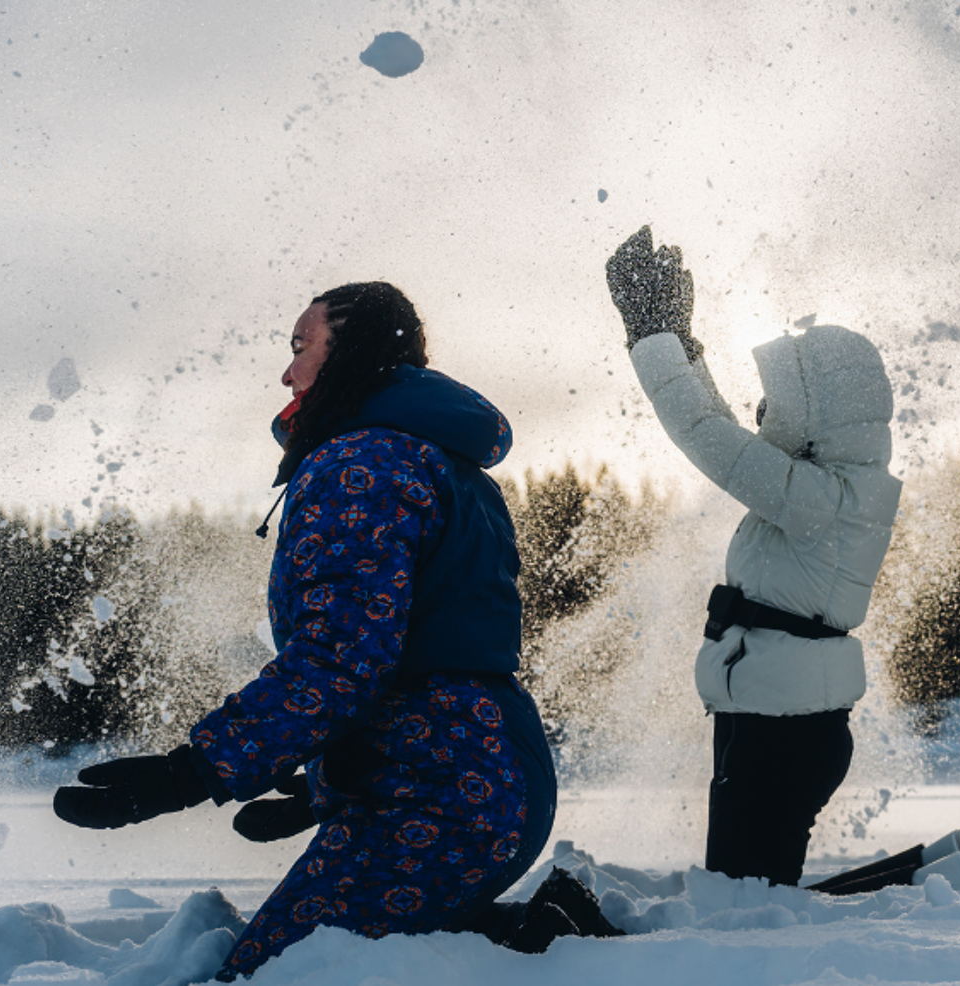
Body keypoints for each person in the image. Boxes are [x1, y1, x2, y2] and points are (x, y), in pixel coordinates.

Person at [53, 282, 615, 978]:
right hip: (474, 767)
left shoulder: (362, 465)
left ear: (353, 352)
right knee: (376, 956)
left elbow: (341, 661)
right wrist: (329, 775)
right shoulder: (430, 458)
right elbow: (414, 650)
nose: (287, 373)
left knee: (284, 974)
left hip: (443, 788)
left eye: (300, 347)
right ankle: (547, 937)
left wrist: (190, 772)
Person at [605, 228, 903, 887]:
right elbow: (721, 425)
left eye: (782, 402)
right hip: (774, 718)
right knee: (746, 894)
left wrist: (650, 338)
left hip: (785, 732)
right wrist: (680, 343)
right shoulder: (827, 487)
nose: (762, 410)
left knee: (746, 907)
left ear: (823, 416)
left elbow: (707, 436)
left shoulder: (823, 498)